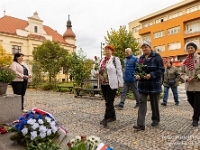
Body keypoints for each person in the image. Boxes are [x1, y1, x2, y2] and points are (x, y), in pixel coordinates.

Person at [133, 41, 165, 131]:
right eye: (143, 47)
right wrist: (137, 75)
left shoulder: (157, 56)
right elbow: (137, 69)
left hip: (154, 85)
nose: (144, 49)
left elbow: (161, 69)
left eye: (146, 47)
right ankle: (140, 124)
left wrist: (151, 75)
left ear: (150, 47)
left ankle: (155, 119)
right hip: (143, 85)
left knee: (154, 104)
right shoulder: (141, 58)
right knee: (141, 103)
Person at [99, 45, 123, 127]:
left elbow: (119, 71)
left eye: (109, 50)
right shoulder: (102, 60)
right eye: (106, 50)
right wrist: (97, 73)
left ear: (112, 51)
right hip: (103, 83)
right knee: (108, 101)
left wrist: (120, 83)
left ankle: (106, 118)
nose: (107, 51)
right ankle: (113, 116)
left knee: (109, 102)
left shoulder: (115, 59)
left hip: (111, 83)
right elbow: (100, 70)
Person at [180, 42, 200, 127]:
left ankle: (195, 119)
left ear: (195, 49)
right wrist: (187, 78)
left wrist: (196, 77)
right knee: (190, 99)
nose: (190, 49)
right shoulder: (185, 61)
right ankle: (198, 111)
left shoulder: (199, 58)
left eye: (192, 47)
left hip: (198, 85)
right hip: (189, 85)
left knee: (197, 102)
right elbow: (181, 72)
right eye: (188, 48)